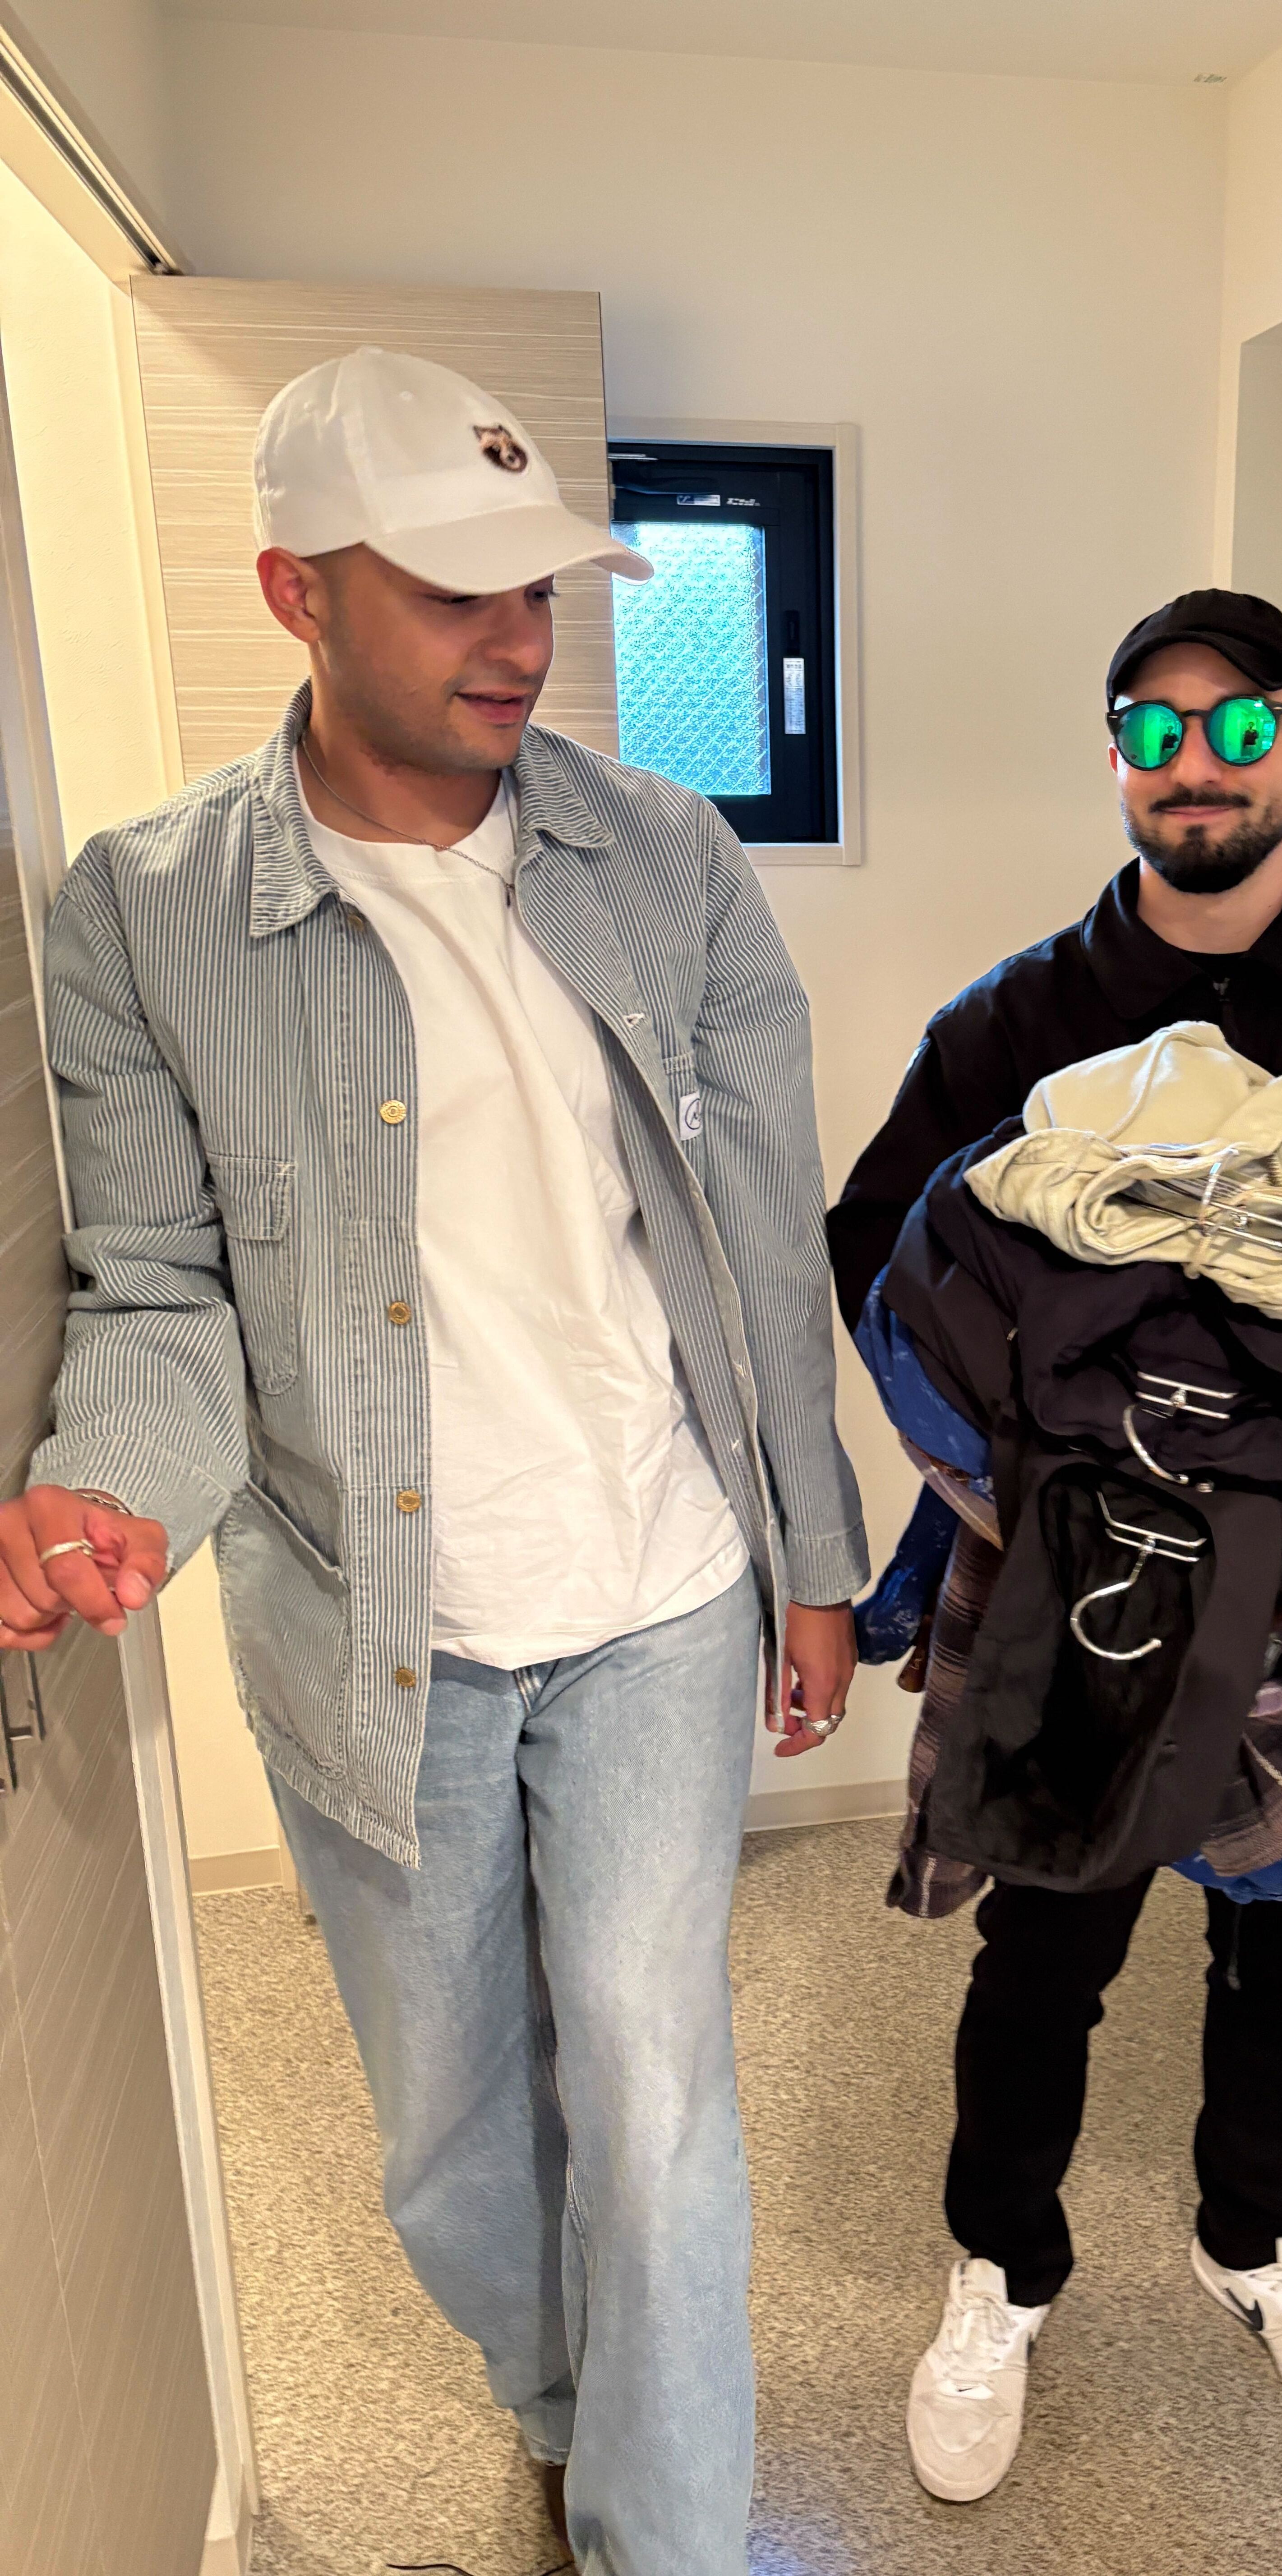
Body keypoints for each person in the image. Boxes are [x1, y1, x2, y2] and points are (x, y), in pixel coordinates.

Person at [0, 346, 867, 2576]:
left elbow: (767, 1244)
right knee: (456, 2139)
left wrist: (816, 1557)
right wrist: (114, 1484)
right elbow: (161, 1298)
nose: (518, 640)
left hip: (660, 1590)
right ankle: (562, 2403)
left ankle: (662, 2532)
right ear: (296, 591)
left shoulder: (661, 857)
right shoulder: (142, 915)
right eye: (452, 588)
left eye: (544, 589)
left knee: (661, 2110)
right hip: (373, 1627)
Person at [829, 587, 1282, 2504]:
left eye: (1240, 728)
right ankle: (1001, 2268)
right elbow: (873, 1261)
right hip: (1076, 1589)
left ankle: (1252, 2239)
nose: (1195, 764)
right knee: (1050, 1940)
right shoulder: (1012, 1024)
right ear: (1115, 761)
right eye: (1154, 730)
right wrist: (1004, 1488)